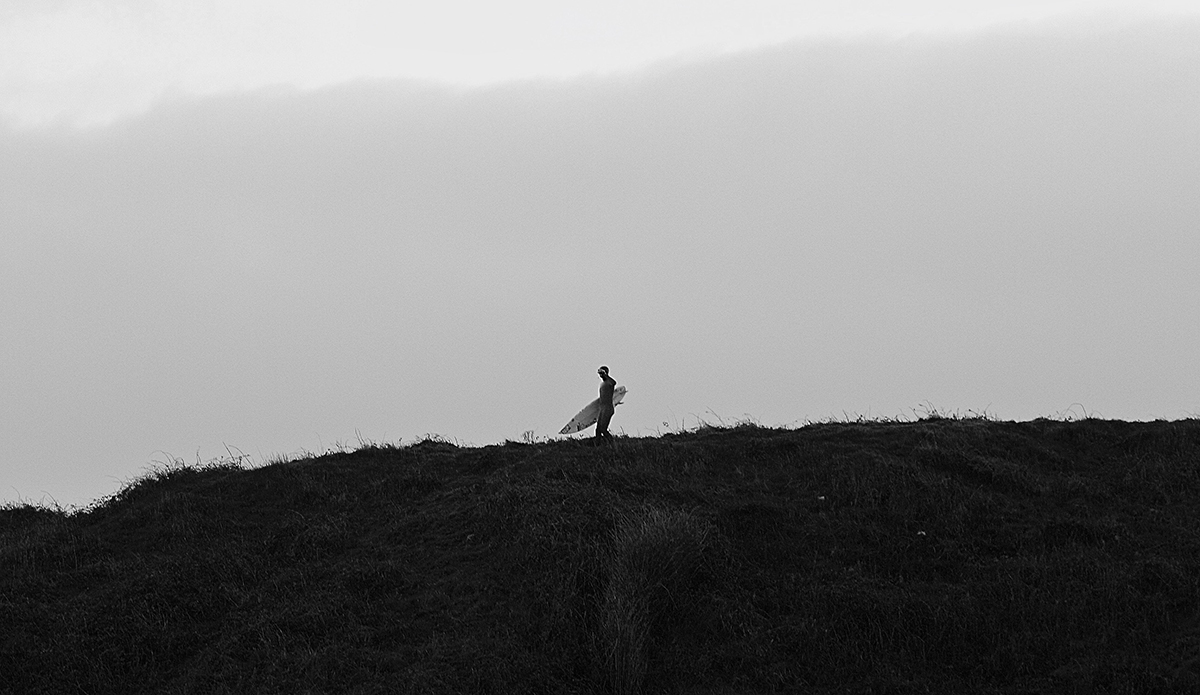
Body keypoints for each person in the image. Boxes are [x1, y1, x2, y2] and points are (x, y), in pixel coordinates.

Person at [595, 365, 616, 444]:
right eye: (599, 374)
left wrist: (606, 375)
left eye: (601, 373)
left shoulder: (609, 382)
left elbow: (614, 383)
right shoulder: (602, 384)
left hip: (608, 408)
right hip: (602, 408)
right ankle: (597, 445)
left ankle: (613, 444)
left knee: (603, 429)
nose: (600, 375)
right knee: (598, 429)